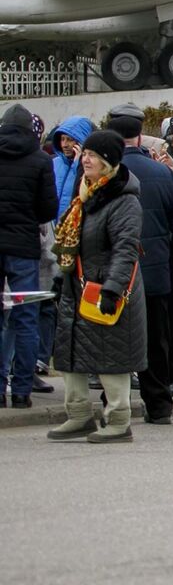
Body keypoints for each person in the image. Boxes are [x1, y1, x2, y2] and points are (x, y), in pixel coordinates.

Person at [44, 131, 146, 442]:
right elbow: (72, 243)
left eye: (93, 156)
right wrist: (62, 276)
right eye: (85, 154)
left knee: (111, 356)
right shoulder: (85, 195)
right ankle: (78, 415)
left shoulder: (123, 201)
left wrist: (112, 290)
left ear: (109, 163)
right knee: (71, 352)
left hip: (106, 289)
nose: (85, 159)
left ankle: (118, 419)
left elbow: (125, 249)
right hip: (78, 286)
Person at [0, 105, 55, 410]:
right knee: (26, 319)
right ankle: (22, 390)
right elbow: (48, 209)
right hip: (24, 247)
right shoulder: (40, 160)